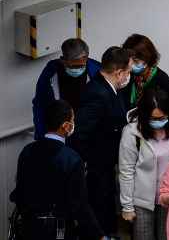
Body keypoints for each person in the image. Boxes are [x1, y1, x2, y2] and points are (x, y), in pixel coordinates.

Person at [10, 100, 105, 240]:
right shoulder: (72, 159)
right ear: (66, 126)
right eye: (73, 120)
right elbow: (80, 206)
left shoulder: (27, 151)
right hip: (58, 231)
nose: (74, 124)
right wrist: (99, 236)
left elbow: (20, 191)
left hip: (28, 228)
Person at [70, 46, 133, 237]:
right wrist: (93, 163)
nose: (129, 76)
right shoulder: (98, 93)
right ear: (119, 72)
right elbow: (80, 134)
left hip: (106, 165)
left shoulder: (111, 89)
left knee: (107, 207)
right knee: (101, 210)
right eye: (128, 71)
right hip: (98, 168)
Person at [119, 87, 169, 240]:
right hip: (143, 202)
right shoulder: (132, 133)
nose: (159, 122)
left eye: (162, 118)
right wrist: (127, 206)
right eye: (154, 119)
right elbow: (126, 171)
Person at [32, 38, 100, 140]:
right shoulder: (50, 74)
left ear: (86, 58)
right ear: (63, 60)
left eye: (81, 66)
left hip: (89, 133)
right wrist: (41, 136)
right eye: (72, 66)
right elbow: (40, 106)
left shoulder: (96, 71)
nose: (77, 70)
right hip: (60, 132)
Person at [122, 34, 169, 120]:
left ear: (147, 58)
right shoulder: (131, 77)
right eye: (128, 60)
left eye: (135, 60)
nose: (130, 64)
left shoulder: (162, 80)